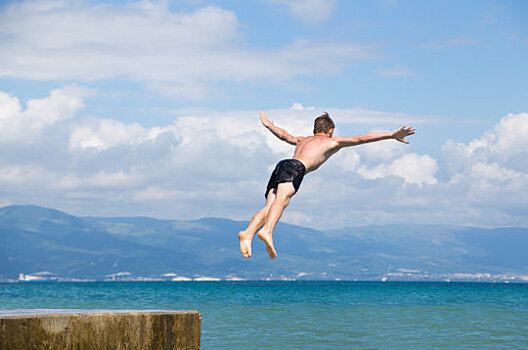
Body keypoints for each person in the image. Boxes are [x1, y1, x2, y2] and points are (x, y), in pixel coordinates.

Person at [238, 111, 415, 259]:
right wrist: (392, 135)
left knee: (271, 205)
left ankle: (248, 233)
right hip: (296, 167)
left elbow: (284, 135)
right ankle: (267, 231)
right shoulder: (331, 142)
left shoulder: (303, 140)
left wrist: (269, 125)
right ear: (330, 130)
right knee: (283, 200)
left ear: (315, 129)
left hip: (282, 165)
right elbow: (362, 138)